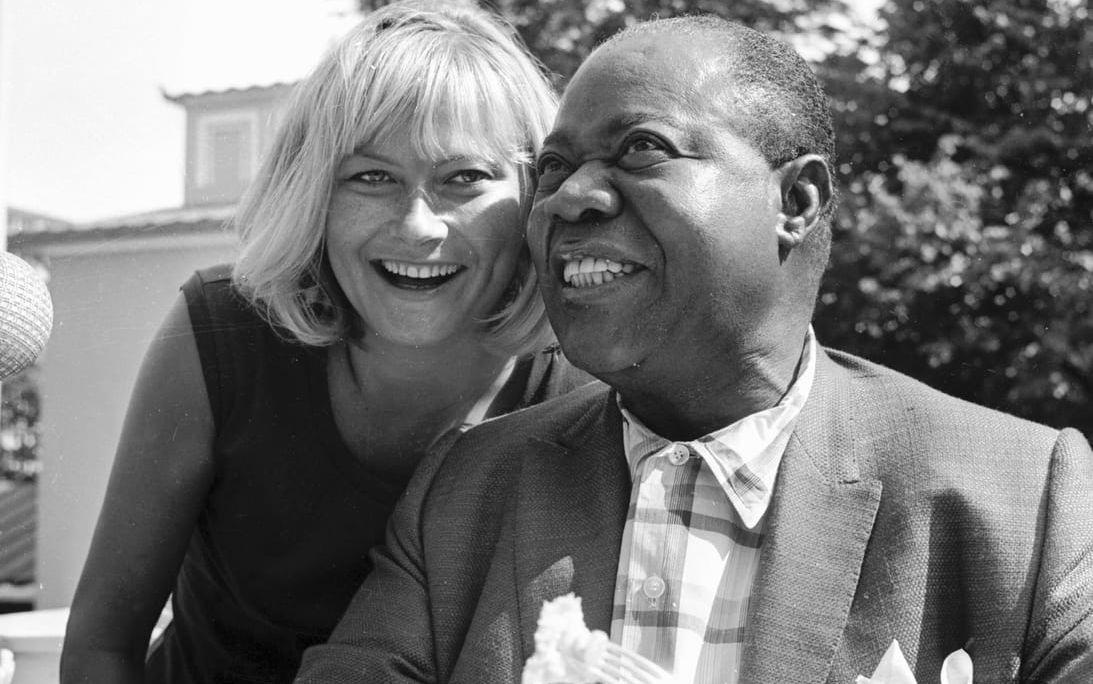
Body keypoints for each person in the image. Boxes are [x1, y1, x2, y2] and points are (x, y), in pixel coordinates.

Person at [293, 14, 1093, 684]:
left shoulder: (1028, 499)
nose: (570, 196)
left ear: (795, 200)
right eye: (555, 167)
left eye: (641, 148)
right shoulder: (465, 492)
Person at [59, 3, 594, 683]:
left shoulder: (586, 385)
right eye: (371, 177)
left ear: (530, 194)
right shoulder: (221, 334)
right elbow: (102, 645)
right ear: (314, 194)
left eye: (464, 178)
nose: (417, 225)